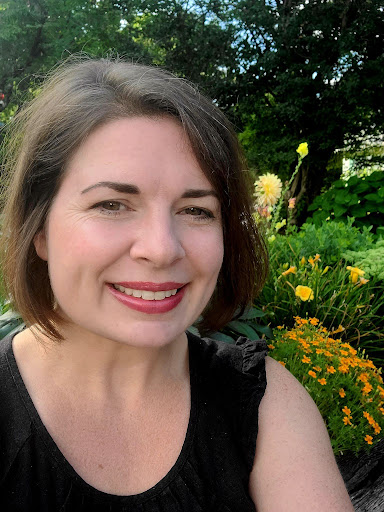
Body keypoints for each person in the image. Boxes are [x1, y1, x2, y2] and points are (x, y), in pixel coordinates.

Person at [0, 57, 354, 511]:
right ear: (40, 228)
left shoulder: (266, 405)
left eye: (196, 210)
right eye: (111, 204)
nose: (163, 249)